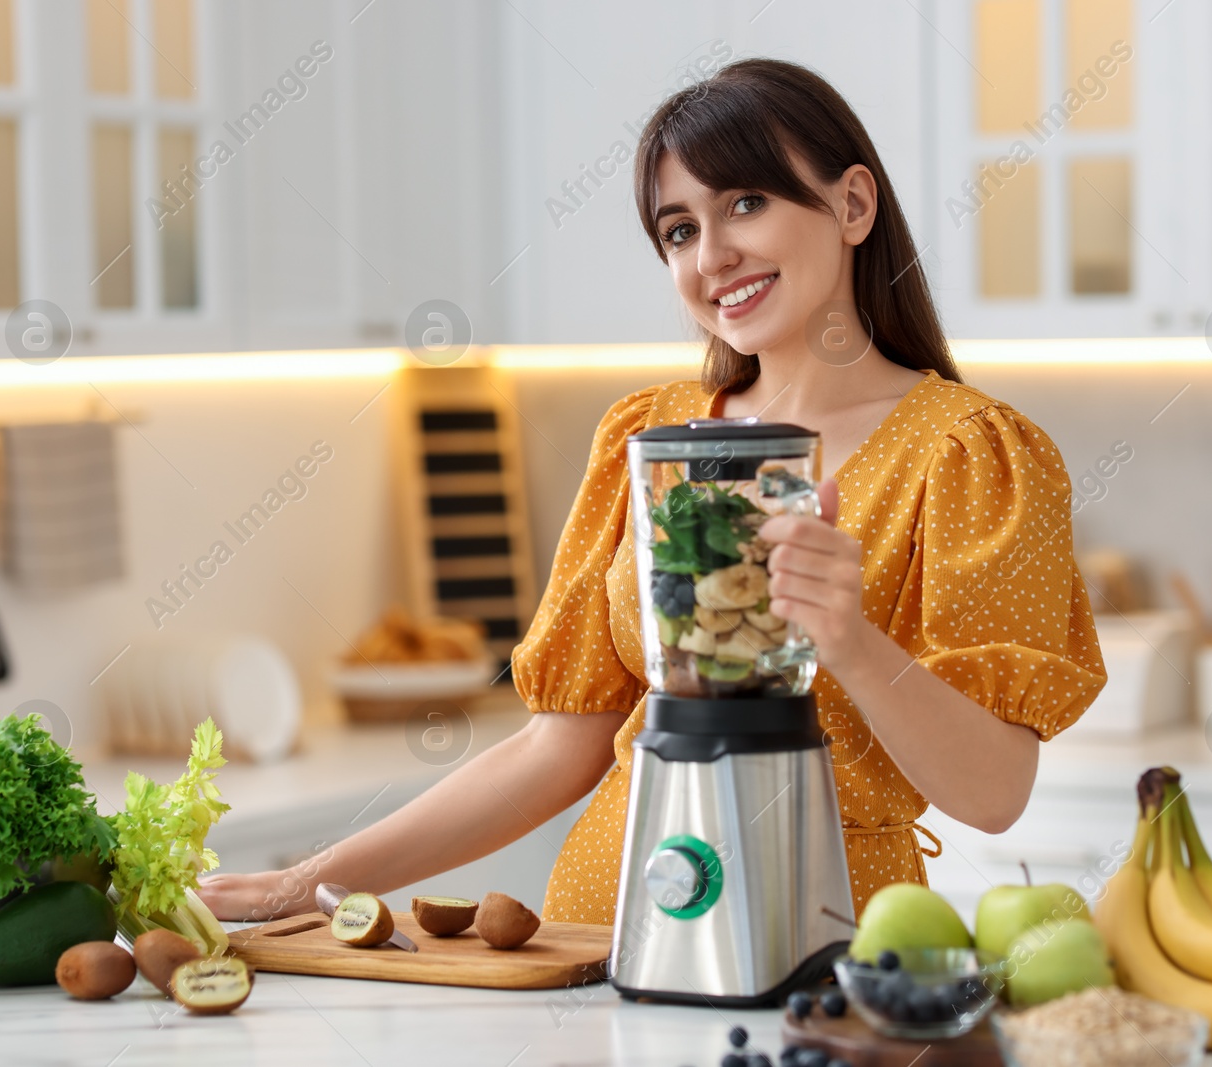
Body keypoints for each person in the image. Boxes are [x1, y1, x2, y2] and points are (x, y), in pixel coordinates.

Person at [197, 58, 1108, 926]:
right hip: (601, 937)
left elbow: (992, 793)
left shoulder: (970, 455)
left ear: (852, 203)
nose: (712, 255)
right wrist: (303, 883)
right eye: (679, 230)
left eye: (745, 201)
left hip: (826, 945)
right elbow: (559, 748)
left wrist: (849, 640)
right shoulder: (648, 438)